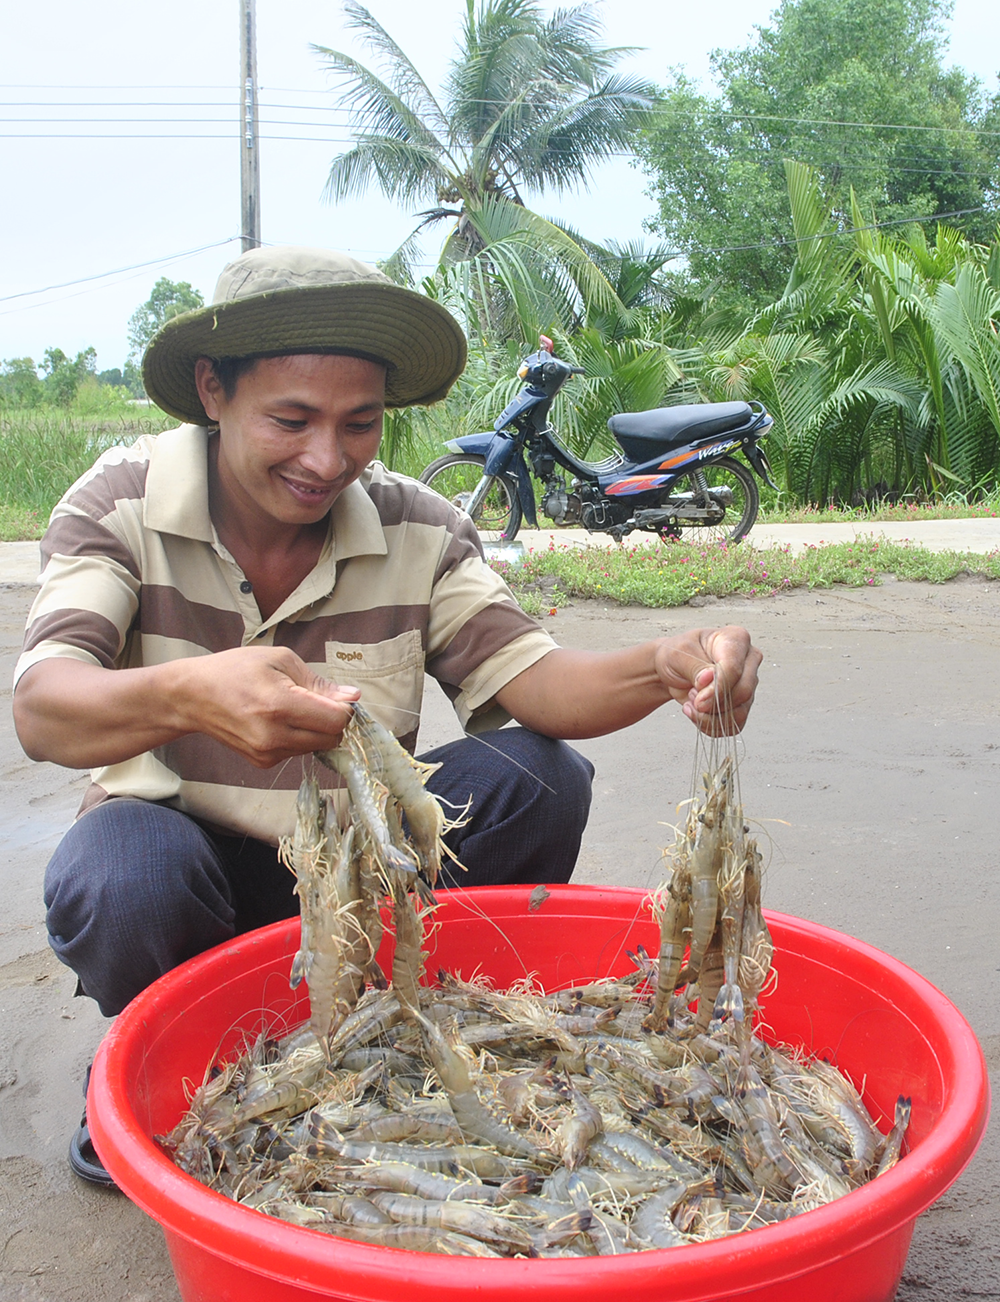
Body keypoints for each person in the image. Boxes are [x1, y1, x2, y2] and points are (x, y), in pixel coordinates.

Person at [12, 245, 761, 1184]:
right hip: (189, 869)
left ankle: (400, 1011)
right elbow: (45, 706)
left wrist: (662, 666)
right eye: (291, 420)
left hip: (371, 871)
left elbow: (536, 683)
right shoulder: (119, 501)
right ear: (212, 389)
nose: (327, 459)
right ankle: (164, 1052)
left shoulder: (420, 524)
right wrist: (190, 693)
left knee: (541, 778)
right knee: (124, 874)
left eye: (359, 424)